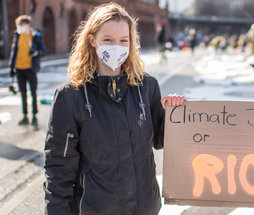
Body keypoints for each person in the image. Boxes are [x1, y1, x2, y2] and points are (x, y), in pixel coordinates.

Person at [43, 3, 185, 214]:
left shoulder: (146, 87)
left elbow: (160, 139)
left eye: (123, 40)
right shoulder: (71, 96)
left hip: (144, 208)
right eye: (108, 39)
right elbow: (58, 168)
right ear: (93, 40)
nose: (116, 46)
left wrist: (174, 114)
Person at [9, 15, 45, 126]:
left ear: (28, 25)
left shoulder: (35, 36)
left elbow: (42, 51)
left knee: (33, 93)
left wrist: (35, 53)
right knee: (23, 93)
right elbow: (14, 53)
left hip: (31, 68)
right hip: (19, 68)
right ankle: (25, 116)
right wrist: (12, 67)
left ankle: (34, 116)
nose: (19, 27)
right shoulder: (17, 36)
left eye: (22, 25)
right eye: (19, 25)